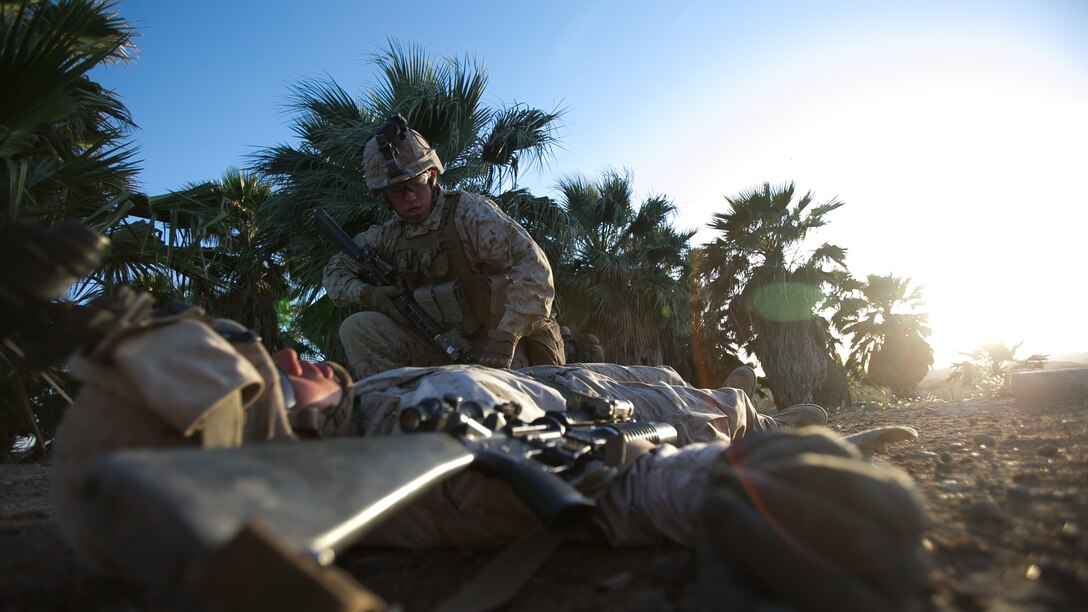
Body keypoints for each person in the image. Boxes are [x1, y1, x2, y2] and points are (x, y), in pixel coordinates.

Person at [53, 308, 924, 611]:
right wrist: (731, 487)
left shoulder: (364, 399)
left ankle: (766, 407)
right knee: (726, 415)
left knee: (720, 398)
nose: (286, 354)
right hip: (641, 421)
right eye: (266, 377)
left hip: (614, 383)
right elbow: (597, 490)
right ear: (254, 438)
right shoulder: (397, 455)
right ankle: (770, 417)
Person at [323, 114, 564, 378]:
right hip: (436, 346)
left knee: (506, 405)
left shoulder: (470, 214)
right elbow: (334, 272)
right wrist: (368, 293)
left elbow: (534, 268)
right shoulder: (387, 236)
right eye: (397, 192)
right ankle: (402, 408)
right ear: (384, 197)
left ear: (432, 176)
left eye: (416, 184)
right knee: (357, 327)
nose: (411, 197)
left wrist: (507, 335)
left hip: (499, 345)